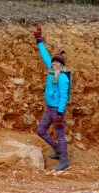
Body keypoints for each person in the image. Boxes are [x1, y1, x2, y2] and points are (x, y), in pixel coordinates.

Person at [33, 27, 71, 171]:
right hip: (49, 108)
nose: (54, 63)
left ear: (61, 65)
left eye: (57, 62)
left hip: (57, 110)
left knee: (60, 135)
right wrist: (39, 41)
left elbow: (63, 96)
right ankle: (57, 150)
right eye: (53, 61)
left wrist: (60, 114)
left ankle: (64, 161)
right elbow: (45, 55)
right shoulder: (51, 71)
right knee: (40, 130)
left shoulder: (62, 78)